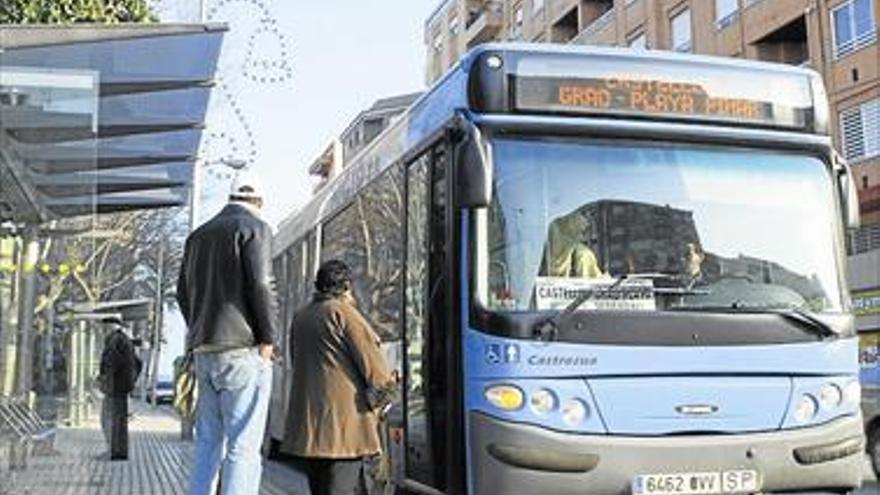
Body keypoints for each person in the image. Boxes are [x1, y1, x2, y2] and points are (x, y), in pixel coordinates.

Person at [177, 170, 278, 495]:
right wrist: (267, 338)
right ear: (258, 201)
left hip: (204, 351)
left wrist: (199, 331)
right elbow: (261, 285)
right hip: (242, 351)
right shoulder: (255, 228)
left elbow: (182, 293)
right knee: (243, 446)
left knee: (207, 442)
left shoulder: (198, 236)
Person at [283, 260, 396, 495]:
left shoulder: (301, 317)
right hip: (345, 426)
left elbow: (296, 360)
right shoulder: (344, 313)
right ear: (346, 287)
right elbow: (372, 364)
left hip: (310, 424)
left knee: (320, 488)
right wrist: (384, 396)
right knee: (344, 487)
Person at [98, 316, 142, 461]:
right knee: (119, 421)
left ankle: (113, 452)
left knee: (108, 419)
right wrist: (131, 381)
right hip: (121, 388)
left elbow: (111, 364)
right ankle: (119, 453)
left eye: (104, 327)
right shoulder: (125, 340)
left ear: (110, 326)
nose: (103, 331)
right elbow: (138, 362)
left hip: (114, 388)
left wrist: (103, 380)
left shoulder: (114, 340)